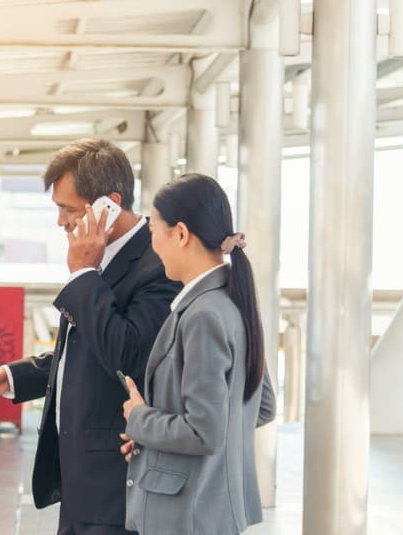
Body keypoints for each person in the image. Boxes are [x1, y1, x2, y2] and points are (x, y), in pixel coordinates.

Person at [0, 139, 181, 534]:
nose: (61, 222)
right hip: (79, 479)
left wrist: (83, 275)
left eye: (68, 209)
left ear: (109, 203)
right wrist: (12, 378)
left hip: (116, 484)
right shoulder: (100, 256)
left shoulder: (156, 265)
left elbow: (128, 355)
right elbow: (82, 354)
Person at [120, 173, 276, 535]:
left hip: (186, 516)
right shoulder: (232, 302)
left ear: (180, 234)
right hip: (212, 511)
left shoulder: (203, 315)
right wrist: (153, 438)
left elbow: (204, 431)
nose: (153, 245)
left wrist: (139, 418)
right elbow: (260, 405)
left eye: (154, 231)